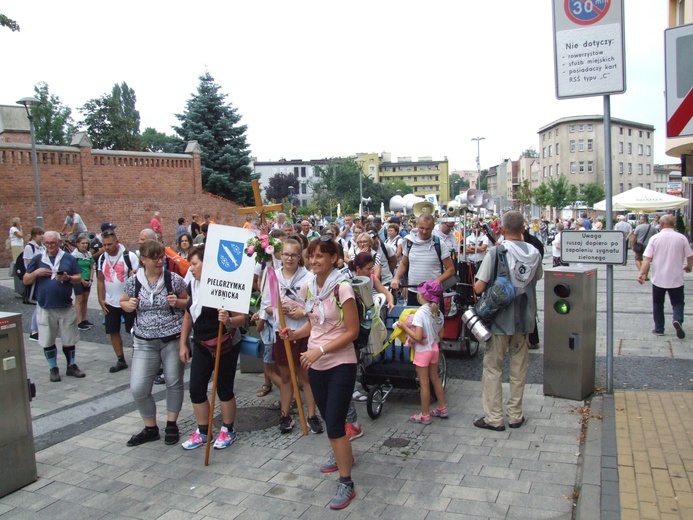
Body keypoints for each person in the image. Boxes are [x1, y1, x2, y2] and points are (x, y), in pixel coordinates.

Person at [280, 237, 360, 510]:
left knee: (336, 424)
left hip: (340, 364)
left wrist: (320, 351)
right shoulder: (309, 286)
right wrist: (293, 335)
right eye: (311, 256)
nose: (314, 261)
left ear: (334, 258)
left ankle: (346, 482)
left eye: (320, 256)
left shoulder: (343, 288)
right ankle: (344, 454)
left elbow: (352, 332)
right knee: (330, 420)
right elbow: (313, 325)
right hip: (315, 364)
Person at [472, 211, 542, 431]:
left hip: (499, 321)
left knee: (493, 369)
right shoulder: (535, 253)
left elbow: (479, 287)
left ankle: (494, 418)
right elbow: (536, 278)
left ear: (501, 229)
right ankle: (515, 415)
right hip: (524, 320)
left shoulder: (496, 252)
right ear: (523, 229)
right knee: (519, 369)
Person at [120, 240, 188, 447]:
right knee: (139, 387)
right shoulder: (134, 282)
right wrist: (129, 305)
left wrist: (178, 302)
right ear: (143, 260)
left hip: (171, 337)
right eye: (155, 258)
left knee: (173, 381)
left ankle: (171, 423)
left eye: (162, 257)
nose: (160, 261)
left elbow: (189, 303)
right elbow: (123, 301)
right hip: (144, 340)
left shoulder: (173, 279)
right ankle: (150, 427)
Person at [179, 245, 246, 449]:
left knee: (224, 388)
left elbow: (241, 318)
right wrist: (183, 343)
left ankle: (227, 429)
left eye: (194, 264)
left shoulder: (222, 287)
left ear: (206, 265)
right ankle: (203, 430)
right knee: (196, 389)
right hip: (201, 343)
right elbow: (189, 315)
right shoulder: (192, 286)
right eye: (190, 264)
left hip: (224, 344)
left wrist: (228, 320)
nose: (190, 268)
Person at [262, 238, 323, 434]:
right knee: (286, 376)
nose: (289, 258)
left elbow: (316, 306)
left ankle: (312, 415)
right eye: (286, 254)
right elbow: (266, 306)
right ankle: (285, 414)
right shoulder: (273, 276)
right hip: (283, 332)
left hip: (304, 332)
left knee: (306, 375)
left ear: (299, 257)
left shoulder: (308, 277)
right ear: (280, 255)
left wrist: (302, 312)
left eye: (293, 255)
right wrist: (279, 310)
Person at [23, 231, 86, 382]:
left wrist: (68, 277)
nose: (50, 246)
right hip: (45, 307)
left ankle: (71, 365)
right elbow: (25, 280)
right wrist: (36, 273)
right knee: (47, 339)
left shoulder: (68, 258)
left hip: (64, 306)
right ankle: (53, 368)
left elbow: (78, 278)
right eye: (47, 243)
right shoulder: (38, 259)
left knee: (69, 339)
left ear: (59, 243)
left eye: (53, 243)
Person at [394, 280, 447, 423]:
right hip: (434, 348)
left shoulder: (419, 314)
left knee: (424, 383)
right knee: (435, 379)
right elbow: (441, 335)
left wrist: (404, 328)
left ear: (423, 296)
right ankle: (442, 407)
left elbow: (417, 337)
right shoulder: (439, 313)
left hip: (423, 351)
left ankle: (425, 414)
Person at [637, 215, 693, 338]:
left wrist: (641, 274)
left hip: (658, 278)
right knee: (678, 302)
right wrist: (689, 266)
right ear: (673, 224)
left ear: (661, 224)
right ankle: (677, 319)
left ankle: (659, 328)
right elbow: (690, 255)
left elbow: (647, 259)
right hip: (676, 278)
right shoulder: (681, 238)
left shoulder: (655, 238)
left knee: (658, 303)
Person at [97, 230, 139, 373]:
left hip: (127, 300)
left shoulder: (129, 256)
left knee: (134, 330)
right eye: (104, 245)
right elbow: (100, 279)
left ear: (117, 242)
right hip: (110, 301)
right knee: (112, 330)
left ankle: (139, 357)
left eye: (109, 244)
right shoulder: (102, 258)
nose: (107, 247)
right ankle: (120, 359)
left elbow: (138, 277)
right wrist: (100, 299)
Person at [391, 214, 455, 305]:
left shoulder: (439, 244)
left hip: (432, 294)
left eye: (428, 229)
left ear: (433, 227)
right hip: (413, 291)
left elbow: (451, 269)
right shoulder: (409, 242)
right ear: (417, 225)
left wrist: (437, 281)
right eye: (421, 228)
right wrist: (396, 278)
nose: (424, 231)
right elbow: (404, 264)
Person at [24, 226, 45, 341]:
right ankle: (34, 330)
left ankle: (37, 329)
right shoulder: (29, 247)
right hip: (35, 278)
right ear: (34, 235)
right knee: (38, 304)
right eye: (39, 234)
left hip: (42, 278)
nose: (41, 236)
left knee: (40, 304)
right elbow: (28, 264)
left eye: (42, 233)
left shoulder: (42, 247)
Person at [71, 234, 95, 331]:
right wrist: (81, 280)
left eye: (86, 243)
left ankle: (84, 319)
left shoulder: (88, 254)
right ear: (77, 244)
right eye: (82, 243)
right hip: (78, 280)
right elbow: (73, 270)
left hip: (87, 280)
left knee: (85, 300)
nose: (85, 245)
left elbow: (91, 267)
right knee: (79, 300)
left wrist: (90, 279)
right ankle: (79, 321)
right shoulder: (74, 256)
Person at [9, 217, 25, 298]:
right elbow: (20, 236)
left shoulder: (14, 228)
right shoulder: (13, 229)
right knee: (18, 262)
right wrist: (21, 229)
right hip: (16, 246)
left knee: (20, 261)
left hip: (19, 246)